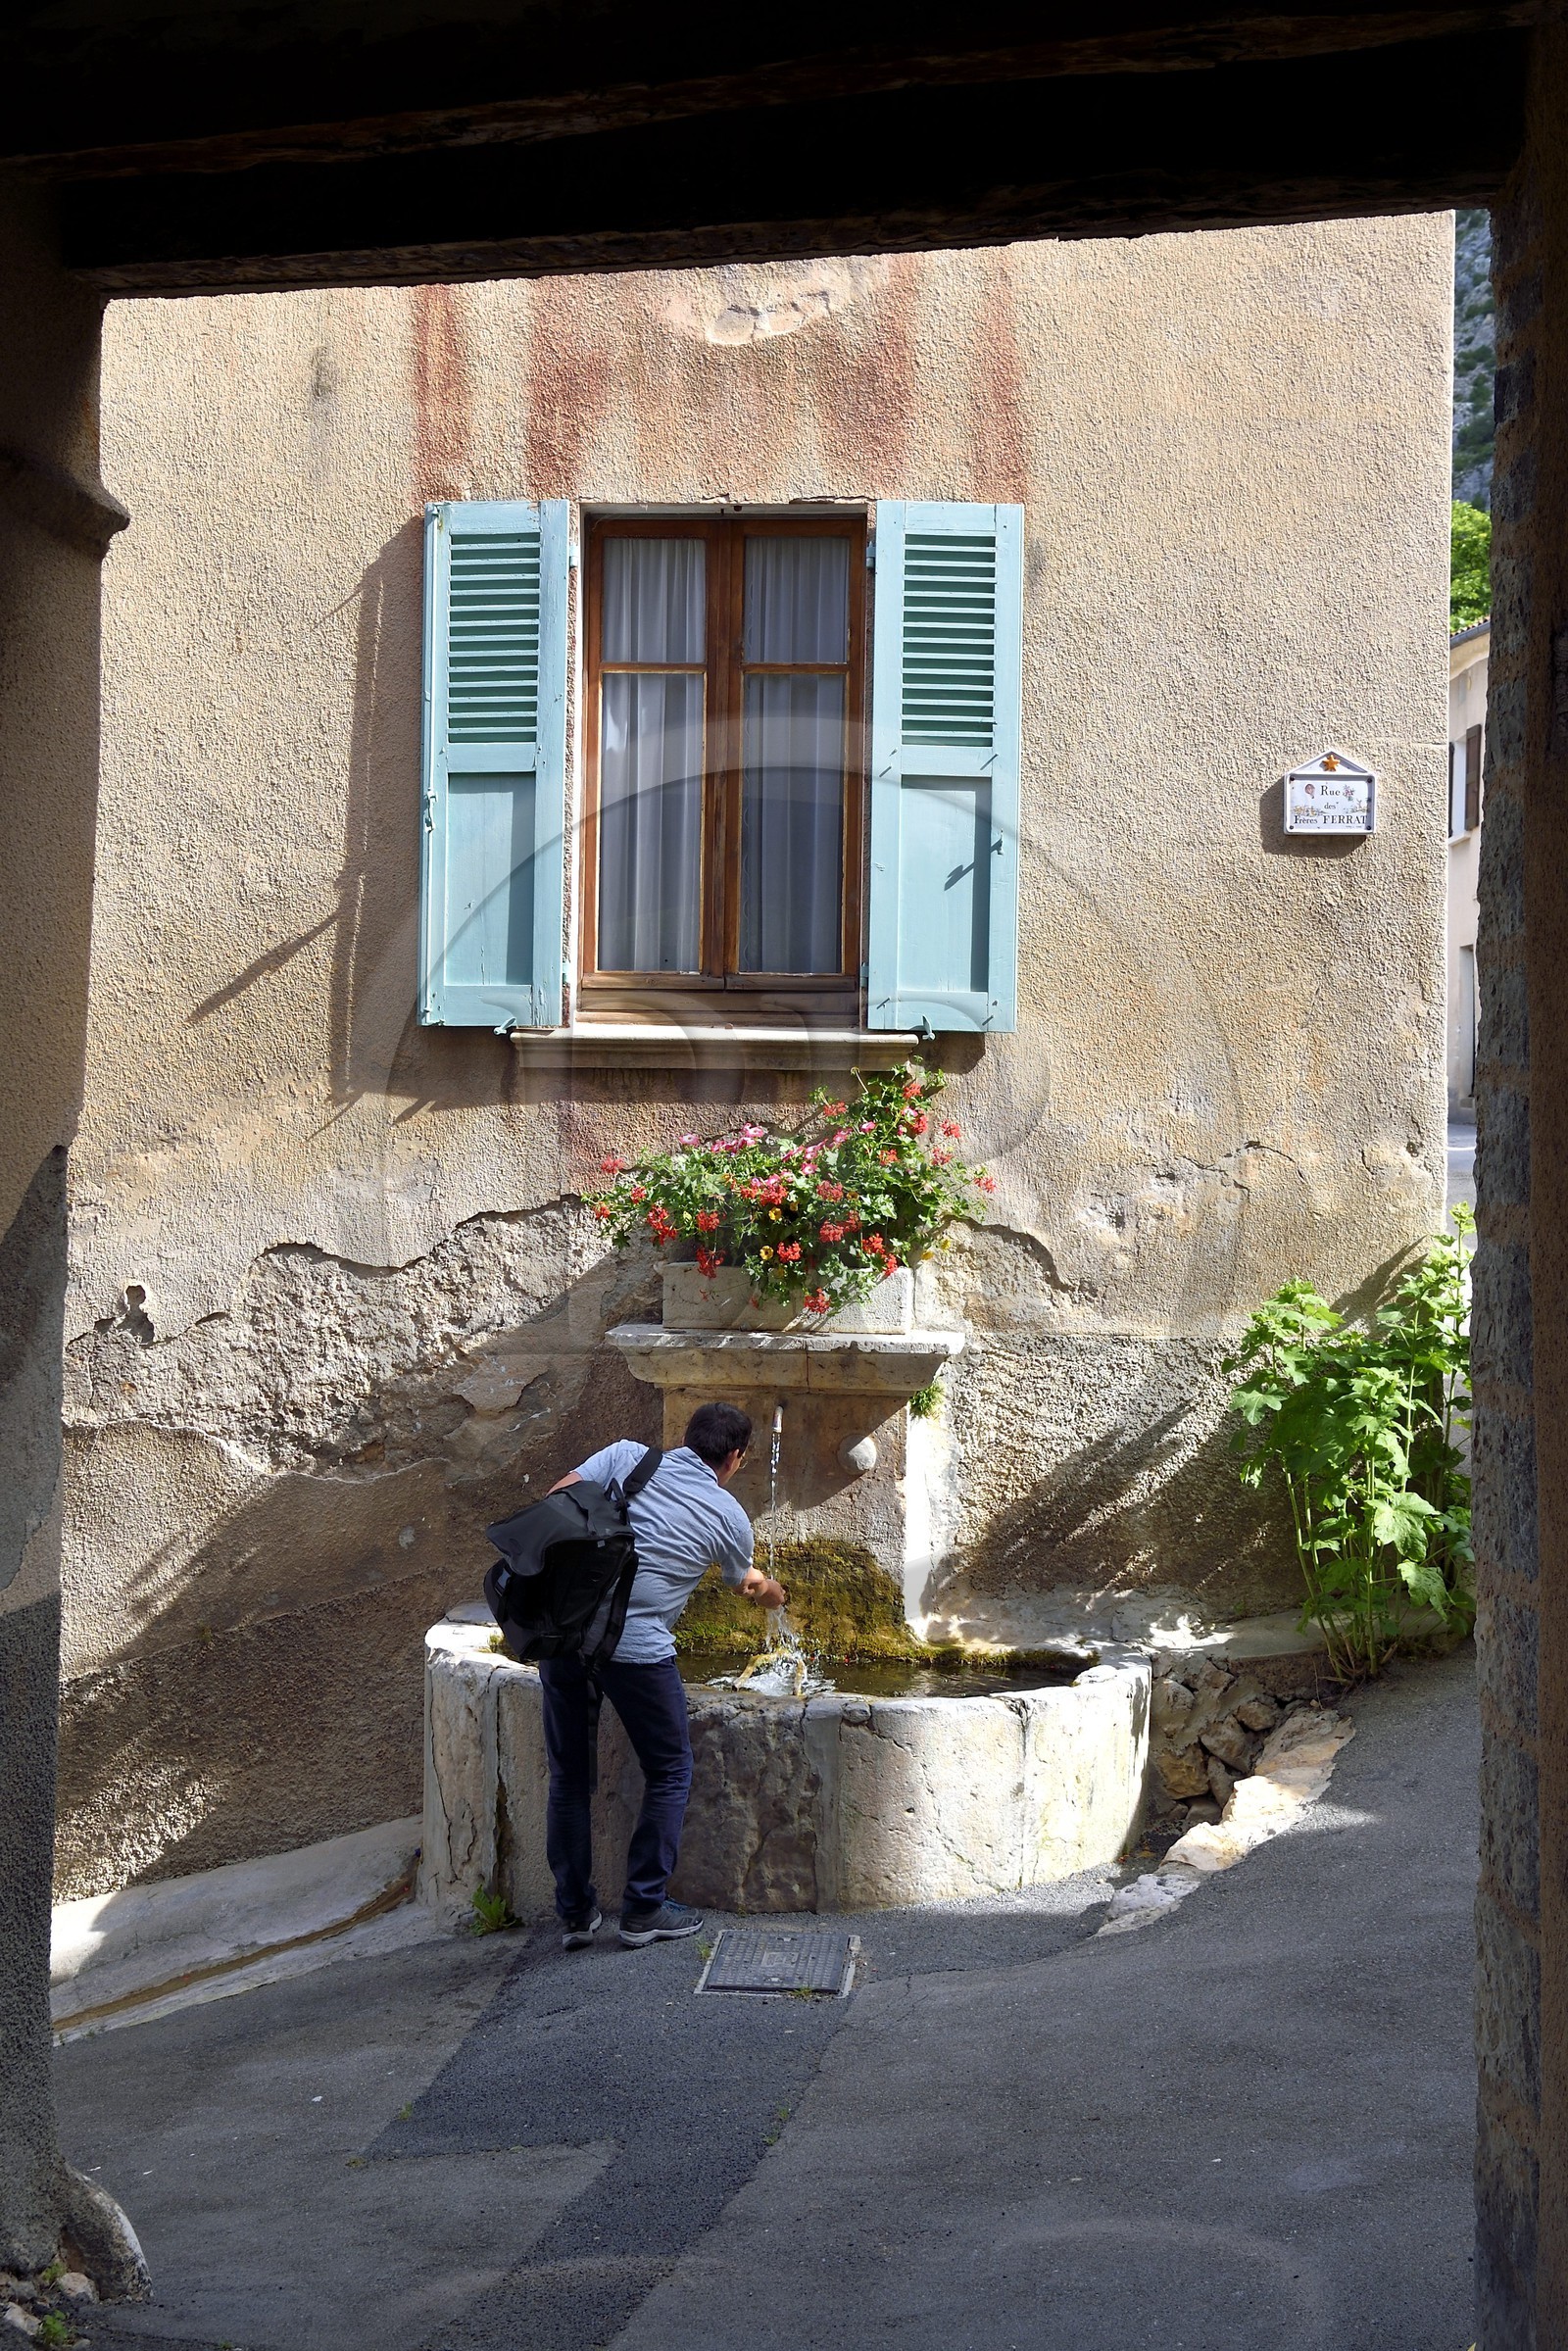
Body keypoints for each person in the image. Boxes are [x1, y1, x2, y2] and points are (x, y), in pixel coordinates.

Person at [540, 1400, 786, 1950]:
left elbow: (558, 1495)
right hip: (636, 1650)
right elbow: (747, 1584)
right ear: (736, 1457)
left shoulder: (626, 1456)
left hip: (567, 1634)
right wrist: (775, 1593)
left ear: (686, 1438)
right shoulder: (727, 1515)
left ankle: (576, 1915)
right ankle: (643, 1909)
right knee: (671, 1769)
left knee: (569, 1777)